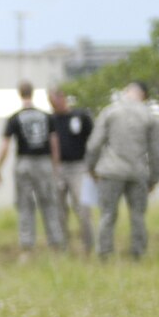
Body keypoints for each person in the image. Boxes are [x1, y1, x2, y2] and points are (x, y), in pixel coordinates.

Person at [88, 80, 159, 261]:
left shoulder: (110, 112)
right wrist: (154, 178)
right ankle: (138, 253)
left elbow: (94, 144)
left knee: (107, 214)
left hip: (111, 171)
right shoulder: (149, 116)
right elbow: (157, 152)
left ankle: (105, 253)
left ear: (127, 91)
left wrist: (91, 168)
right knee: (138, 215)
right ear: (144, 96)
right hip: (138, 172)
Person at [0, 80, 65, 254]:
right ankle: (55, 244)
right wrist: (55, 167)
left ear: (20, 93)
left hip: (24, 163)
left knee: (25, 205)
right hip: (44, 162)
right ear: (32, 93)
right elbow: (54, 143)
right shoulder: (46, 117)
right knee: (49, 203)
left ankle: (27, 246)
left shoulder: (15, 118)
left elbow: (5, 145)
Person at [47, 87, 97, 253]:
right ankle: (62, 246)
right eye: (51, 103)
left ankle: (88, 245)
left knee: (83, 207)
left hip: (79, 166)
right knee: (59, 208)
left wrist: (92, 166)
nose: (55, 106)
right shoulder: (51, 120)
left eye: (56, 101)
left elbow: (94, 140)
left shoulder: (81, 116)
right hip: (58, 167)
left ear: (63, 98)